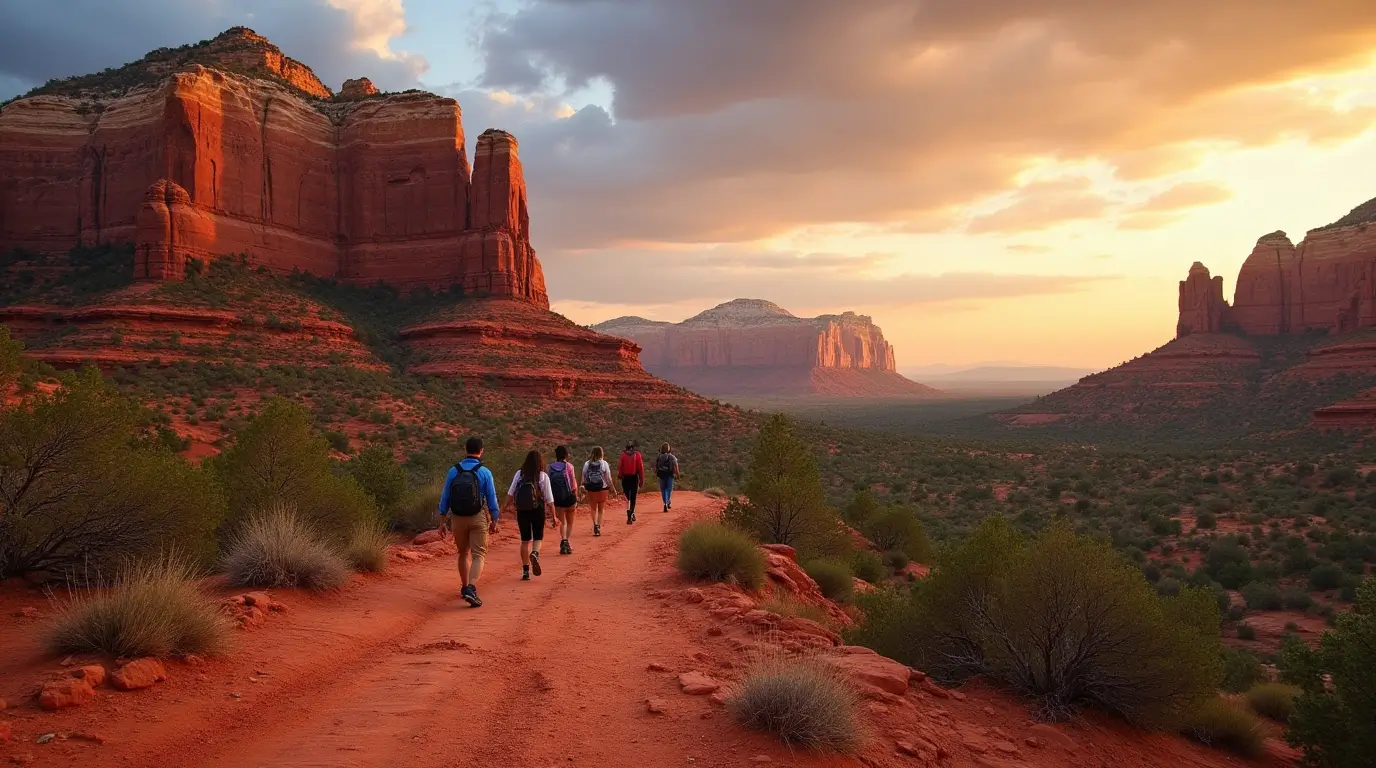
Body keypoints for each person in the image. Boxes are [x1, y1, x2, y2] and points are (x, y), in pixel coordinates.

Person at [438, 436, 500, 607]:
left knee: (462, 553)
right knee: (478, 554)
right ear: (481, 451)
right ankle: (471, 588)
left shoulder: (453, 470)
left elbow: (445, 498)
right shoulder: (485, 472)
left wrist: (442, 522)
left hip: (457, 518)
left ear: (465, 449)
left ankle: (464, 587)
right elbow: (492, 499)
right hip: (477, 516)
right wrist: (495, 520)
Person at [505, 450, 554, 581]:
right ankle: (535, 553)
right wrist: (554, 516)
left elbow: (511, 493)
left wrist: (502, 509)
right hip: (538, 509)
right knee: (538, 537)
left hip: (522, 510)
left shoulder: (519, 474)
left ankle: (525, 570)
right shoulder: (543, 476)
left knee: (524, 540)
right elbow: (549, 498)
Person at [548, 445, 579, 555]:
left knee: (562, 522)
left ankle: (563, 540)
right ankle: (567, 543)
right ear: (566, 455)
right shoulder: (569, 466)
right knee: (570, 522)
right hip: (569, 497)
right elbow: (573, 484)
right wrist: (576, 496)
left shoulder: (550, 467)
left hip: (557, 499)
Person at [581, 446, 615, 537]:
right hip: (602, 488)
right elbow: (608, 478)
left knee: (593, 508)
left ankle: (595, 524)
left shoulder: (587, 464)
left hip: (590, 488)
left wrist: (583, 486)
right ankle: (598, 527)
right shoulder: (604, 463)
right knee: (600, 509)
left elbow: (583, 476)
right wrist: (613, 489)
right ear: (601, 453)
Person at [618, 441, 645, 524]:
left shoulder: (623, 455)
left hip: (625, 478)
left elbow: (621, 467)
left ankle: (630, 512)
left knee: (628, 497)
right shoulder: (637, 455)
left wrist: (620, 475)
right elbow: (640, 468)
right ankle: (631, 513)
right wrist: (641, 480)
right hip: (634, 478)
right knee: (633, 497)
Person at [655, 443, 680, 512]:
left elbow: (656, 467)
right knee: (668, 489)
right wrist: (678, 475)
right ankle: (667, 502)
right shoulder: (672, 457)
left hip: (661, 475)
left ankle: (665, 503)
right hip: (669, 475)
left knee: (663, 489)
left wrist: (657, 473)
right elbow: (676, 466)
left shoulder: (659, 457)